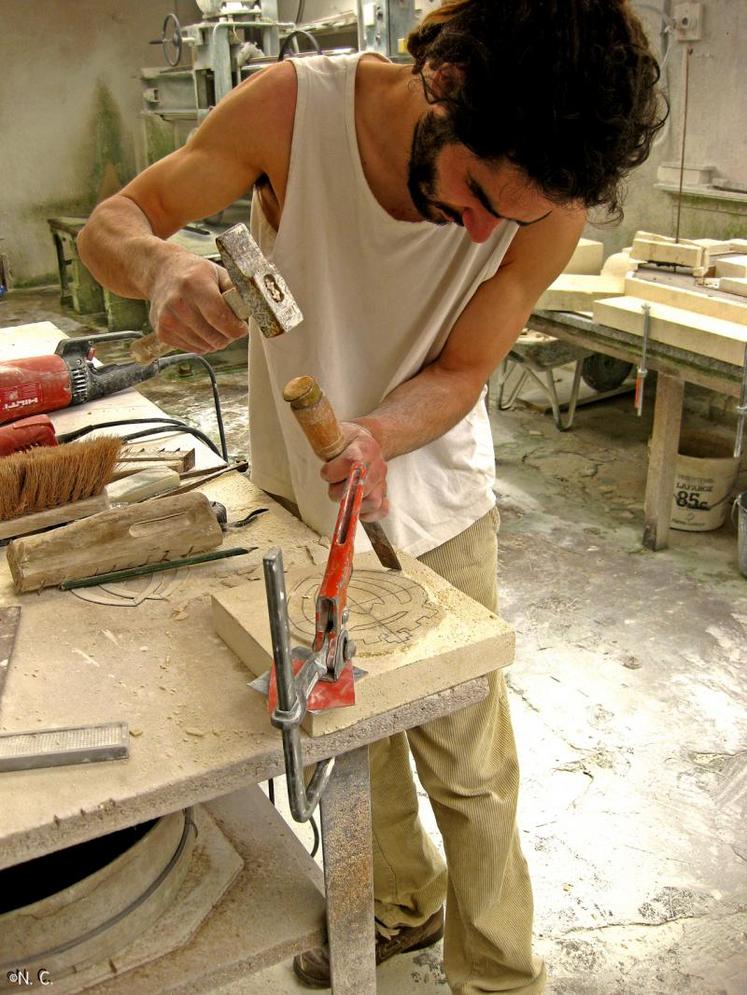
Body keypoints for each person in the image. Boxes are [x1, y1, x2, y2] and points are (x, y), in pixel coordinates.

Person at [78, 2, 664, 990]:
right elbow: (112, 226)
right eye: (477, 191)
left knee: (468, 762)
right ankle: (400, 898)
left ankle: (499, 973)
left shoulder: (546, 199)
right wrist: (161, 265)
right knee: (353, 726)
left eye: (508, 219)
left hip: (436, 494)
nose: (482, 230)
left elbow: (469, 363)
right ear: (447, 85)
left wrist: (379, 433)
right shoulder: (291, 115)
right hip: (295, 495)